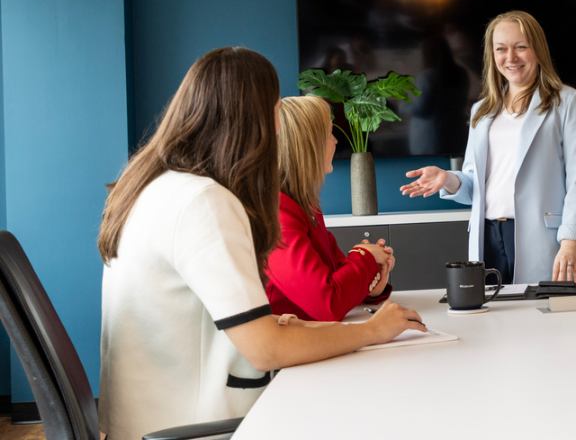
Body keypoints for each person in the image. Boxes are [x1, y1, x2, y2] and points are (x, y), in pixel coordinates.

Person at [98, 48, 425, 440]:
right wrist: (374, 331)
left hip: (153, 418)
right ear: (254, 120)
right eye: (274, 110)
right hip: (201, 426)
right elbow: (266, 349)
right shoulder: (204, 202)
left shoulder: (153, 187)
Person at [400, 11, 576, 284]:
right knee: (495, 321)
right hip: (487, 238)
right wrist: (448, 179)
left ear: (537, 49)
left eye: (521, 47)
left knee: (547, 321)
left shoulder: (570, 103)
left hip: (546, 240)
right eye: (501, 49)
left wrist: (570, 243)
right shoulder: (482, 110)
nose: (511, 58)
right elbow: (473, 187)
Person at [264, 95, 396, 321]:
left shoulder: (306, 206)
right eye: (328, 134)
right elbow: (328, 304)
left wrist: (372, 286)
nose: (335, 141)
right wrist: (365, 256)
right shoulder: (277, 215)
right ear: (308, 146)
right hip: (292, 344)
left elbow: (337, 278)